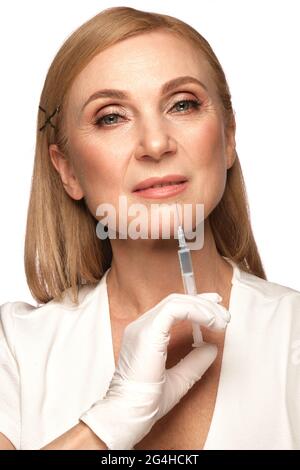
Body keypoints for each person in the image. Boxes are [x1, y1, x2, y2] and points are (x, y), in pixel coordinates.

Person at [1, 6, 299, 450]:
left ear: (229, 137)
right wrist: (107, 423)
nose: (156, 144)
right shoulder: (16, 351)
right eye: (111, 116)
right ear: (67, 170)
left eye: (182, 104)